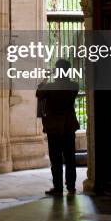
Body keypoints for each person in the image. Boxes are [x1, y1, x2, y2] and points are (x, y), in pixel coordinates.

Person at [36, 59, 80, 196]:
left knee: (56, 159)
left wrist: (46, 77)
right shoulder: (74, 85)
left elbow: (38, 92)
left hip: (54, 127)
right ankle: (71, 186)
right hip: (68, 125)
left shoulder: (50, 87)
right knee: (70, 158)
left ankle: (58, 187)